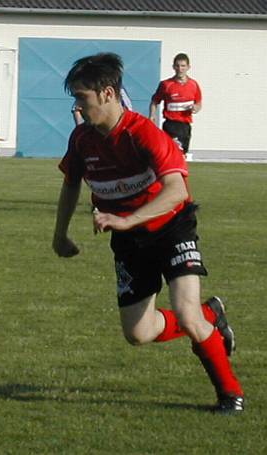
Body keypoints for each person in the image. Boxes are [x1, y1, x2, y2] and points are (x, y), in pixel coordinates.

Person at [53, 53, 243, 414]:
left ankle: (230, 394)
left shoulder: (144, 134)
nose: (77, 106)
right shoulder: (81, 139)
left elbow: (177, 190)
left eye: (82, 98)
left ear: (107, 93)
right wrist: (59, 234)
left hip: (172, 228)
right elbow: (71, 183)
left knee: (187, 315)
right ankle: (211, 314)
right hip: (129, 241)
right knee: (138, 334)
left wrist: (128, 219)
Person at [149, 53, 202, 161]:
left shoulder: (193, 84)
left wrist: (196, 108)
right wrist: (152, 116)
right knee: (173, 154)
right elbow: (155, 101)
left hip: (186, 125)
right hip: (171, 124)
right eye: (177, 66)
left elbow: (198, 103)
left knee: (182, 155)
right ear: (173, 67)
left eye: (183, 66)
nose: (180, 69)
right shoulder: (166, 84)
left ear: (188, 67)